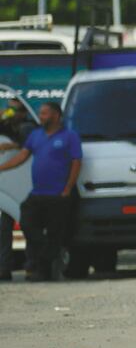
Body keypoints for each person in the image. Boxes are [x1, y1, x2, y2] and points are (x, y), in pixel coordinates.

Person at [0, 102, 82, 281]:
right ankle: (48, 250)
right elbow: (23, 155)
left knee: (55, 231)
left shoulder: (69, 136)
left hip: (59, 194)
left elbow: (76, 162)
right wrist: (2, 167)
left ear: (56, 115)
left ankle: (44, 271)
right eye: (41, 113)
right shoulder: (36, 135)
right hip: (38, 193)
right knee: (27, 222)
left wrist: (68, 188)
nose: (41, 116)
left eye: (45, 113)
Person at [0, 100, 37, 280]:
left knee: (29, 227)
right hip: (10, 189)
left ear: (23, 112)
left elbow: (26, 147)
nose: (10, 112)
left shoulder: (28, 127)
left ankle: (32, 266)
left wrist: (11, 146)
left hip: (26, 188)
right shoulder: (11, 127)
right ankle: (3, 268)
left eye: (14, 109)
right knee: (4, 229)